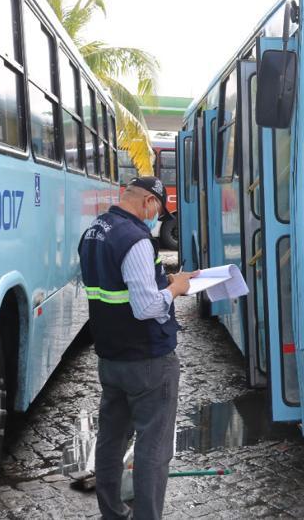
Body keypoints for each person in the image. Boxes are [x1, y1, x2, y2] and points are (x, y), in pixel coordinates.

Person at [78, 176, 198, 519]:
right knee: (153, 447)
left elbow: (113, 286)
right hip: (147, 359)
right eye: (157, 211)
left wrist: (170, 281)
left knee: (111, 440)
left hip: (111, 357)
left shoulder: (95, 231)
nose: (156, 219)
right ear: (149, 202)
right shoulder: (136, 239)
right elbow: (146, 307)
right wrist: (177, 289)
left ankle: (113, 512)